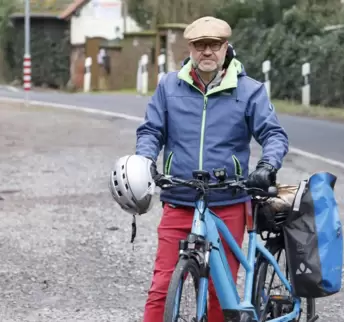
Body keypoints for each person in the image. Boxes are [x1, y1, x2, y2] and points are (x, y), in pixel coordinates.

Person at [135, 16, 289, 322]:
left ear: (225, 47)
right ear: (191, 48)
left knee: (222, 292)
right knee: (163, 288)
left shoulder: (249, 91)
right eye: (200, 45)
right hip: (180, 198)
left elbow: (274, 135)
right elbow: (151, 131)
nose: (207, 51)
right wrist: (144, 161)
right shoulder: (169, 86)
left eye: (214, 45)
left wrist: (267, 166)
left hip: (227, 201)